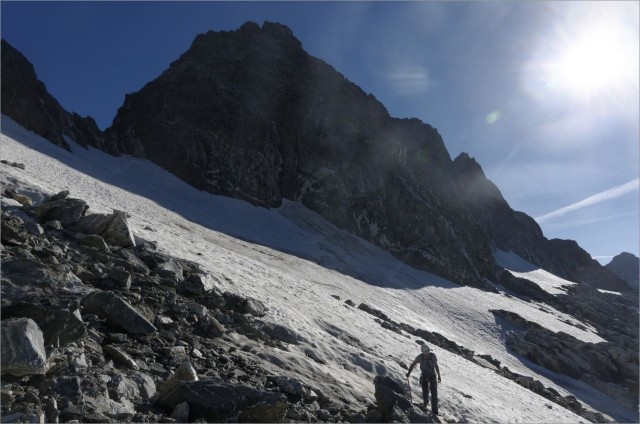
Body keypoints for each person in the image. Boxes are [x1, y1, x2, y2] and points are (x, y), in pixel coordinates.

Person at [406, 344, 441, 415]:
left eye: (428, 351)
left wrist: (439, 376)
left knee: (434, 393)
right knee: (425, 392)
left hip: (432, 375)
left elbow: (436, 365)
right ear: (423, 352)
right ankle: (425, 405)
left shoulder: (433, 355)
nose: (428, 352)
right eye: (427, 351)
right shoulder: (419, 357)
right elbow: (413, 365)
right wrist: (408, 373)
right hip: (424, 375)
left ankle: (435, 411)